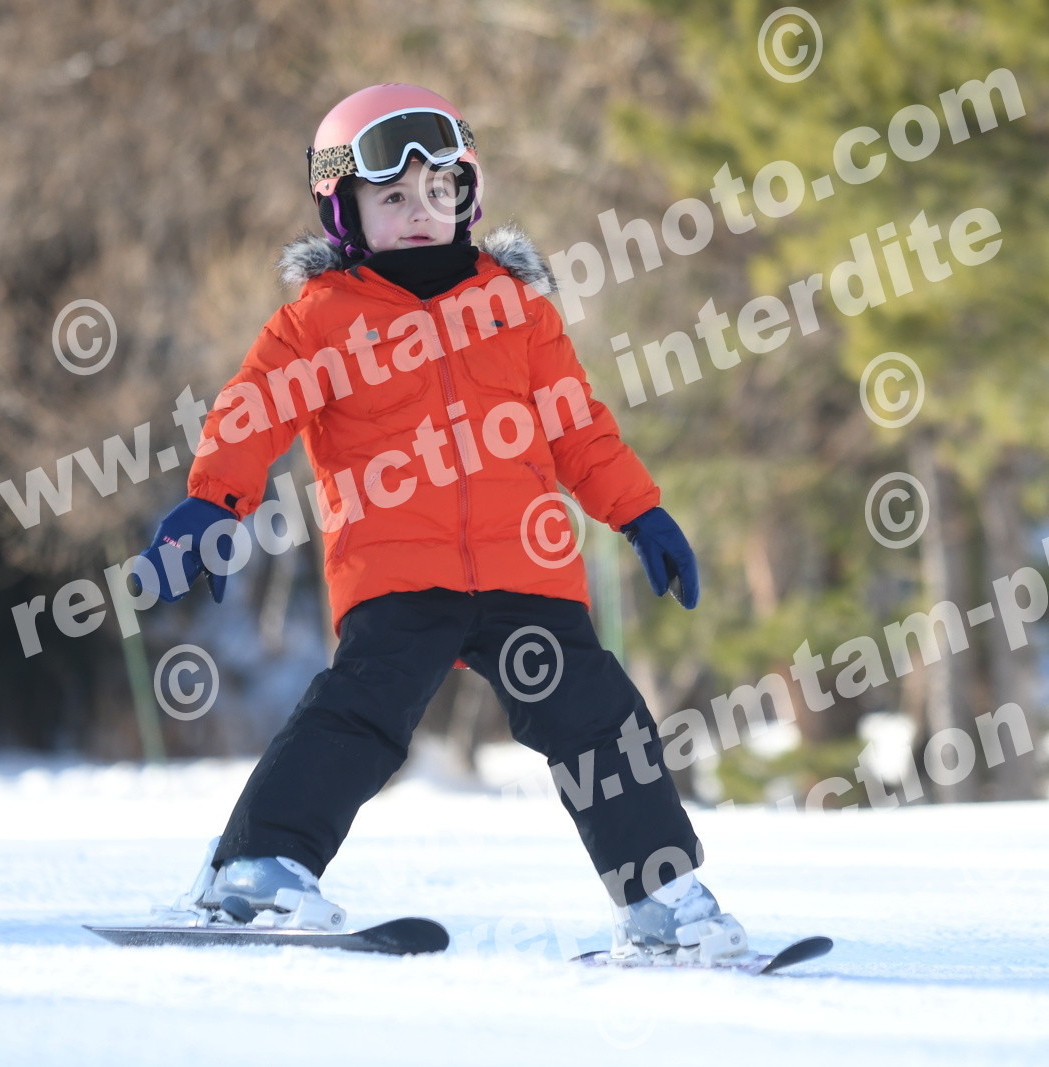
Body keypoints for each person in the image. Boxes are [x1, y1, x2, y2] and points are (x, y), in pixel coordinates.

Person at [128, 83, 747, 964]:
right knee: (361, 713)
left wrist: (638, 509)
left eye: (439, 190)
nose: (420, 211)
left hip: (527, 569)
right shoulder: (321, 319)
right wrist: (212, 500)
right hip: (399, 572)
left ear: (468, 194)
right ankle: (257, 870)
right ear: (344, 211)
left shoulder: (517, 310)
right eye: (392, 197)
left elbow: (577, 427)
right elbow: (251, 410)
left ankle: (661, 901)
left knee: (602, 722)